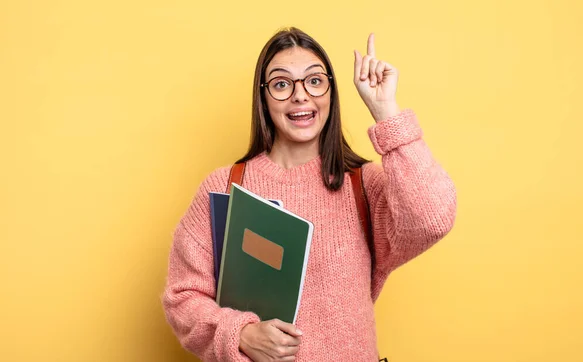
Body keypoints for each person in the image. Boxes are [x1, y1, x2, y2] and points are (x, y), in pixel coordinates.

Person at [162, 27, 457, 362]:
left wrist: (385, 111)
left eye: (315, 81)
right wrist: (239, 333)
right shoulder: (224, 187)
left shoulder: (363, 185)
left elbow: (432, 218)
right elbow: (182, 296)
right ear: (264, 97)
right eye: (282, 84)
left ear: (331, 91)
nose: (301, 95)